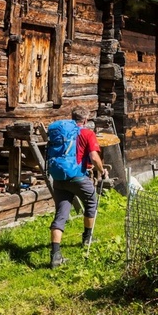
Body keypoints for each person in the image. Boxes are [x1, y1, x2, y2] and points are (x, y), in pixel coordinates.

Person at [48, 106, 105, 268]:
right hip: (77, 177)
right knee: (91, 202)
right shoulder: (87, 133)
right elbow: (94, 156)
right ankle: (88, 237)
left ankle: (55, 256)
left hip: (59, 178)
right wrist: (102, 170)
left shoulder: (63, 134)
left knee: (61, 214)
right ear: (86, 120)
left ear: (72, 118)